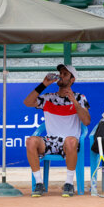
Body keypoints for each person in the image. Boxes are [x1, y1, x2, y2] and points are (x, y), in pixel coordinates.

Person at [24, 64, 90, 197]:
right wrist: (44, 84)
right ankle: (39, 184)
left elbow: (87, 121)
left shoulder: (80, 97)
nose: (61, 75)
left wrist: (75, 103)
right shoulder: (48, 97)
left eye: (65, 74)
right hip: (50, 141)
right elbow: (27, 102)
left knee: (71, 141)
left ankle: (69, 183)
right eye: (60, 73)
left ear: (72, 80)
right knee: (30, 141)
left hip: (69, 143)